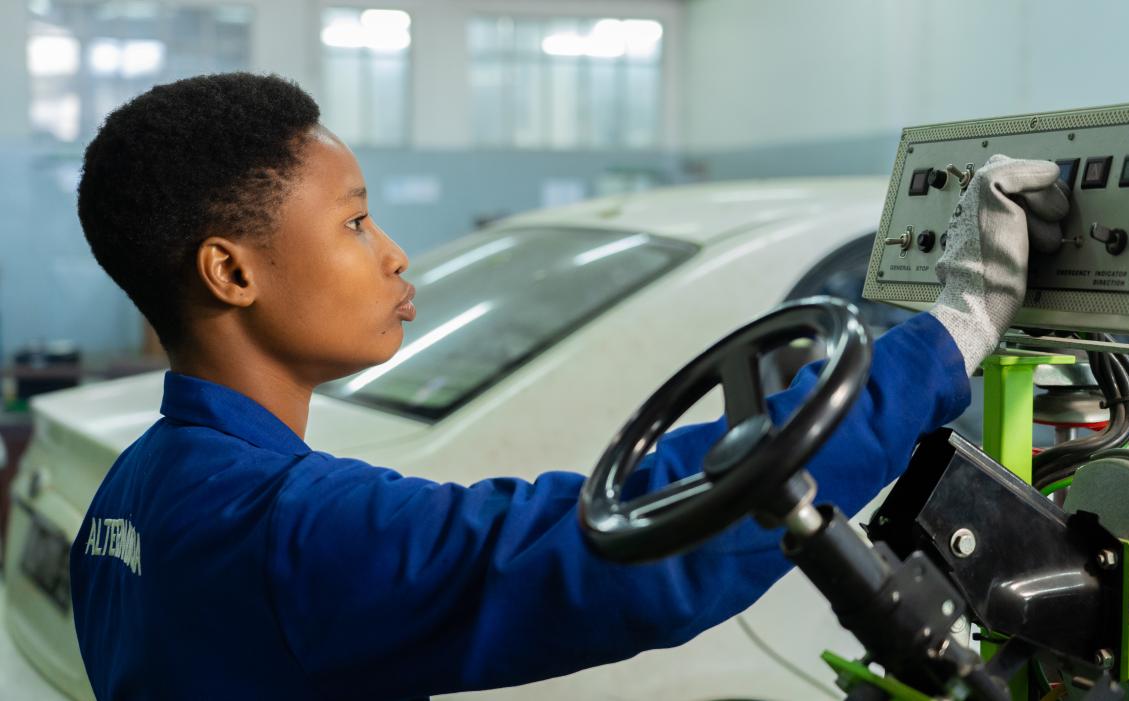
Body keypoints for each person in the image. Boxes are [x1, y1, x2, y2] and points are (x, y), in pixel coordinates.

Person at [70, 72, 1067, 700]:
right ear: (231, 272)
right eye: (355, 222)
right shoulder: (285, 531)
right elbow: (624, 550)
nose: (393, 252)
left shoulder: (133, 491)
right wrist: (957, 326)